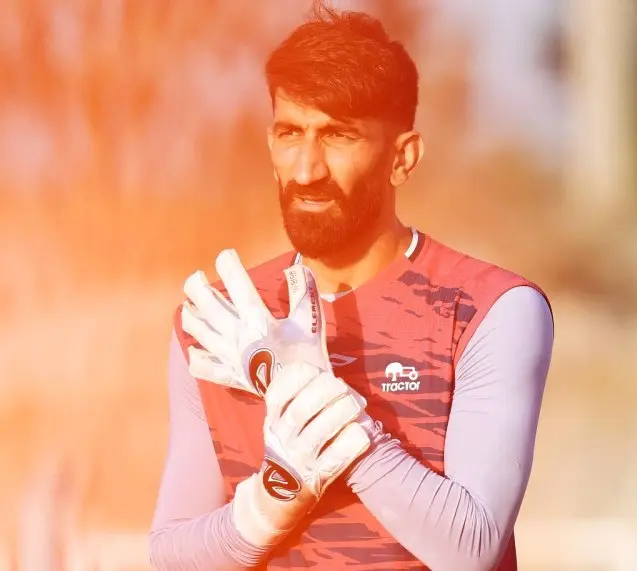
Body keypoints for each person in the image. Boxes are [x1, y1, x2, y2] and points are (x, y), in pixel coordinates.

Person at [148, 2, 554, 570]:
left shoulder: (490, 309)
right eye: (290, 133)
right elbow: (170, 557)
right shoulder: (220, 322)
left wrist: (320, 409)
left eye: (338, 136)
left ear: (402, 158)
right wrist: (272, 501)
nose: (306, 169)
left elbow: (472, 548)